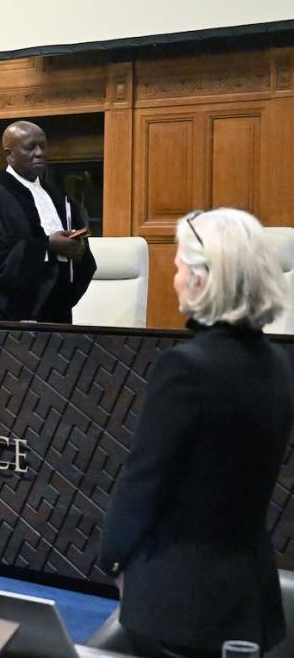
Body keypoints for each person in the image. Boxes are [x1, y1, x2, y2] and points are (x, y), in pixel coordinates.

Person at [98, 208, 292, 658]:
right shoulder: (278, 365)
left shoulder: (184, 368)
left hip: (180, 599)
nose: (175, 276)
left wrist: (113, 559)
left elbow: (143, 482)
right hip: (249, 595)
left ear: (205, 278)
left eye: (181, 265)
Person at [0, 120, 96, 322]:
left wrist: (78, 250)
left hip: (56, 309)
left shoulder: (57, 194)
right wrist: (47, 246)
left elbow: (78, 246)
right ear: (9, 155)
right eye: (30, 147)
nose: (39, 153)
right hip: (10, 315)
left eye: (43, 146)